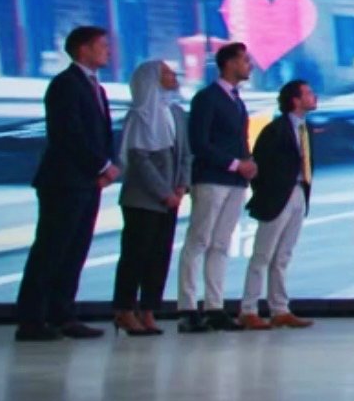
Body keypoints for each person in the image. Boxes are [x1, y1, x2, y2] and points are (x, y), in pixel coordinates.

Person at [14, 26, 120, 342]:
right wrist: (102, 165)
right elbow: (68, 134)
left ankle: (63, 314)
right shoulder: (65, 84)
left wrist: (104, 165)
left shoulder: (95, 87)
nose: (108, 51)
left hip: (87, 182)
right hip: (63, 182)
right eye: (102, 45)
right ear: (83, 49)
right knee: (51, 250)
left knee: (75, 250)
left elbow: (100, 133)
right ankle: (31, 319)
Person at [180, 42, 257, 333]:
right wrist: (235, 163)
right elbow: (199, 142)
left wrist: (248, 162)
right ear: (229, 63)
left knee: (221, 244)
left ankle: (214, 306)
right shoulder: (207, 98)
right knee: (198, 241)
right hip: (211, 178)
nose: (249, 65)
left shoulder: (237, 100)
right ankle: (188, 308)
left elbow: (239, 139)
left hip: (235, 181)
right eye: (244, 60)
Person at [112, 60, 189, 337]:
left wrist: (181, 186)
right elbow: (139, 160)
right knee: (136, 255)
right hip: (142, 198)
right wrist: (164, 193)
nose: (173, 76)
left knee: (159, 256)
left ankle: (148, 310)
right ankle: (124, 310)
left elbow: (185, 153)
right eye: (166, 72)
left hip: (171, 198)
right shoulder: (139, 116)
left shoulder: (176, 112)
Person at [240, 79, 318, 330]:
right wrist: (268, 195)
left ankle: (280, 308)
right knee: (262, 255)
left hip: (299, 192)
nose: (314, 97)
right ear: (295, 100)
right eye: (308, 93)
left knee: (283, 255)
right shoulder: (275, 130)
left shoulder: (305, 129)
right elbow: (260, 166)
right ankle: (248, 309)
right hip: (277, 197)